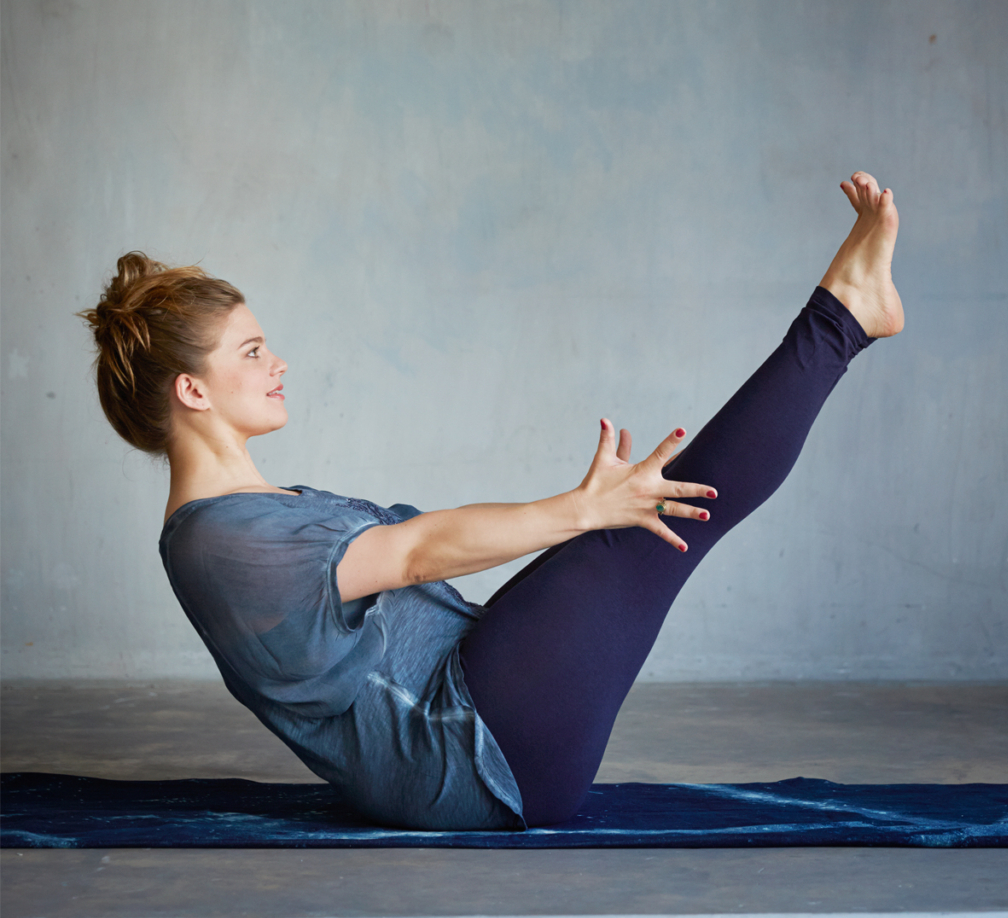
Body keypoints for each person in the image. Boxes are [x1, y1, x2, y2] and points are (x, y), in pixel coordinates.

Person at [79, 172, 903, 831]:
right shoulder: (219, 541)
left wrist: (586, 513)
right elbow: (413, 552)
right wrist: (581, 508)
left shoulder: (248, 511)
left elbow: (412, 562)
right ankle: (844, 318)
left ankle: (846, 316)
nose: (278, 363)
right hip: (471, 753)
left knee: (650, 514)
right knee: (650, 516)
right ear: (192, 389)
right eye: (253, 352)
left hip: (475, 714)